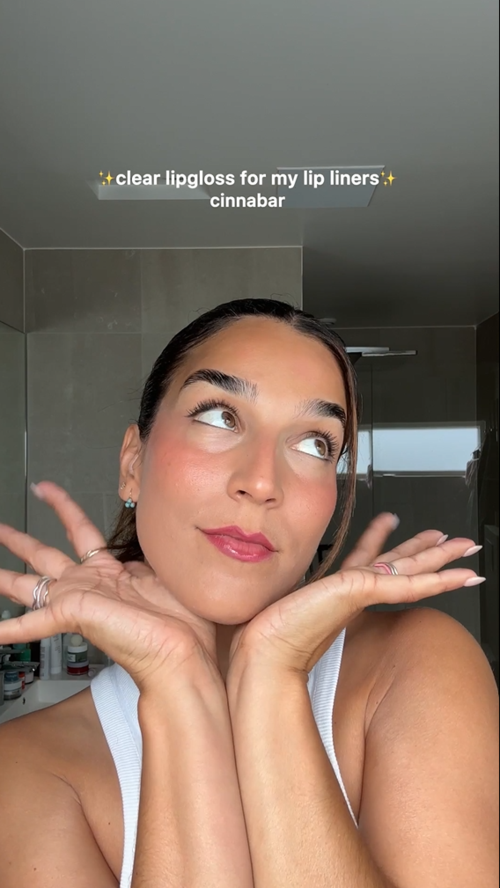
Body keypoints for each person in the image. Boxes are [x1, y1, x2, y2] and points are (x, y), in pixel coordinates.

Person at [0, 298, 498, 888]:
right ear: (133, 463)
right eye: (219, 416)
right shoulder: (25, 767)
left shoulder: (416, 663)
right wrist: (179, 688)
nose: (262, 481)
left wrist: (273, 680)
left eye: (315, 444)